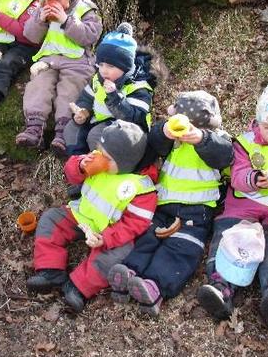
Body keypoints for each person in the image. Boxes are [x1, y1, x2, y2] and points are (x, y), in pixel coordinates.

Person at [199, 77, 268, 330]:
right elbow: (237, 175)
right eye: (266, 125)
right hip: (244, 208)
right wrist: (253, 179)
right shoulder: (246, 143)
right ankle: (222, 286)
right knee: (230, 237)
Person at [107, 91, 233, 315]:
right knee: (149, 236)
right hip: (163, 205)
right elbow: (154, 144)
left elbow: (224, 155)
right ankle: (128, 272)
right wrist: (164, 131)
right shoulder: (172, 140)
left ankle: (155, 285)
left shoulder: (218, 137)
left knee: (182, 248)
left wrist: (201, 138)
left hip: (197, 210)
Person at [25, 120, 157, 313]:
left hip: (108, 232)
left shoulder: (141, 187)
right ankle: (50, 270)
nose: (100, 157)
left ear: (124, 162)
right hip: (81, 215)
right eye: (99, 150)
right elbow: (71, 174)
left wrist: (106, 239)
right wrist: (79, 165)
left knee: (113, 258)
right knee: (51, 219)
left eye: (107, 157)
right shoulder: (97, 159)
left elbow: (135, 224)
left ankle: (78, 287)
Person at [16, 0, 102, 154]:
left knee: (70, 88)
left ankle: (63, 131)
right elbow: (30, 35)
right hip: (49, 60)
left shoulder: (84, 7)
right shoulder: (41, 9)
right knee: (38, 85)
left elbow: (91, 35)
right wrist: (40, 19)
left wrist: (66, 21)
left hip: (77, 61)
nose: (56, 4)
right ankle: (34, 128)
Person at [64, 22, 160, 155]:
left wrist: (114, 97)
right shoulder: (98, 78)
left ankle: (103, 168)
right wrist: (83, 111)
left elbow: (136, 119)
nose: (104, 70)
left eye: (110, 66)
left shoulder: (139, 86)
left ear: (125, 66)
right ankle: (79, 161)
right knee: (72, 128)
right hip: (99, 122)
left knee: (95, 135)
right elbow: (86, 98)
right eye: (101, 64)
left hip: (128, 131)